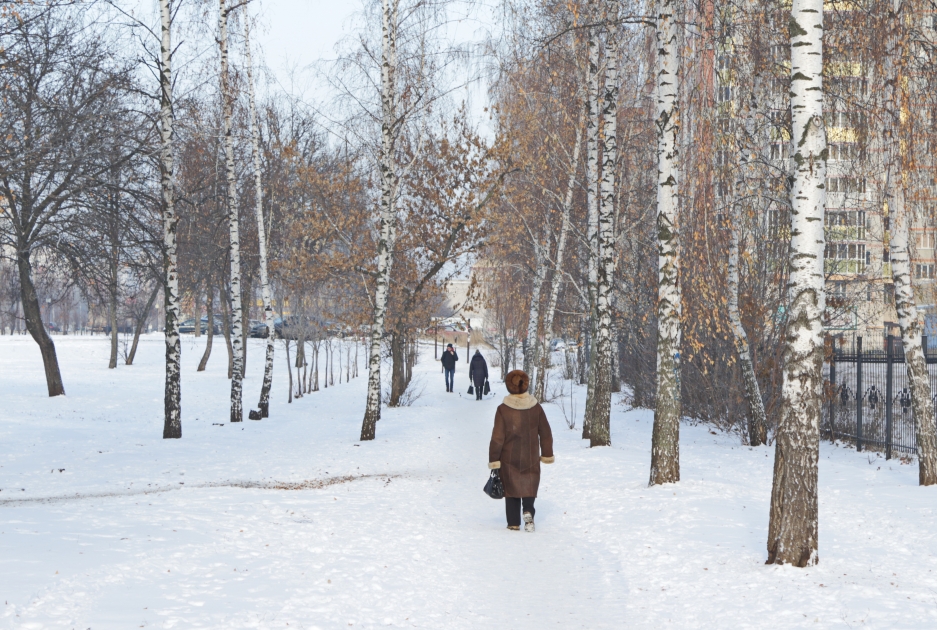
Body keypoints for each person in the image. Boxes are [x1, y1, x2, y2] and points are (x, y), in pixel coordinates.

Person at [488, 369, 554, 532]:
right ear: (526, 385)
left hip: (509, 456)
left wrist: (494, 459)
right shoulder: (536, 408)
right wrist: (546, 453)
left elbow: (497, 438)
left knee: (511, 488)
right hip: (530, 455)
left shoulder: (503, 409)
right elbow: (545, 432)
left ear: (508, 386)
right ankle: (528, 511)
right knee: (529, 484)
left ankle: (513, 522)